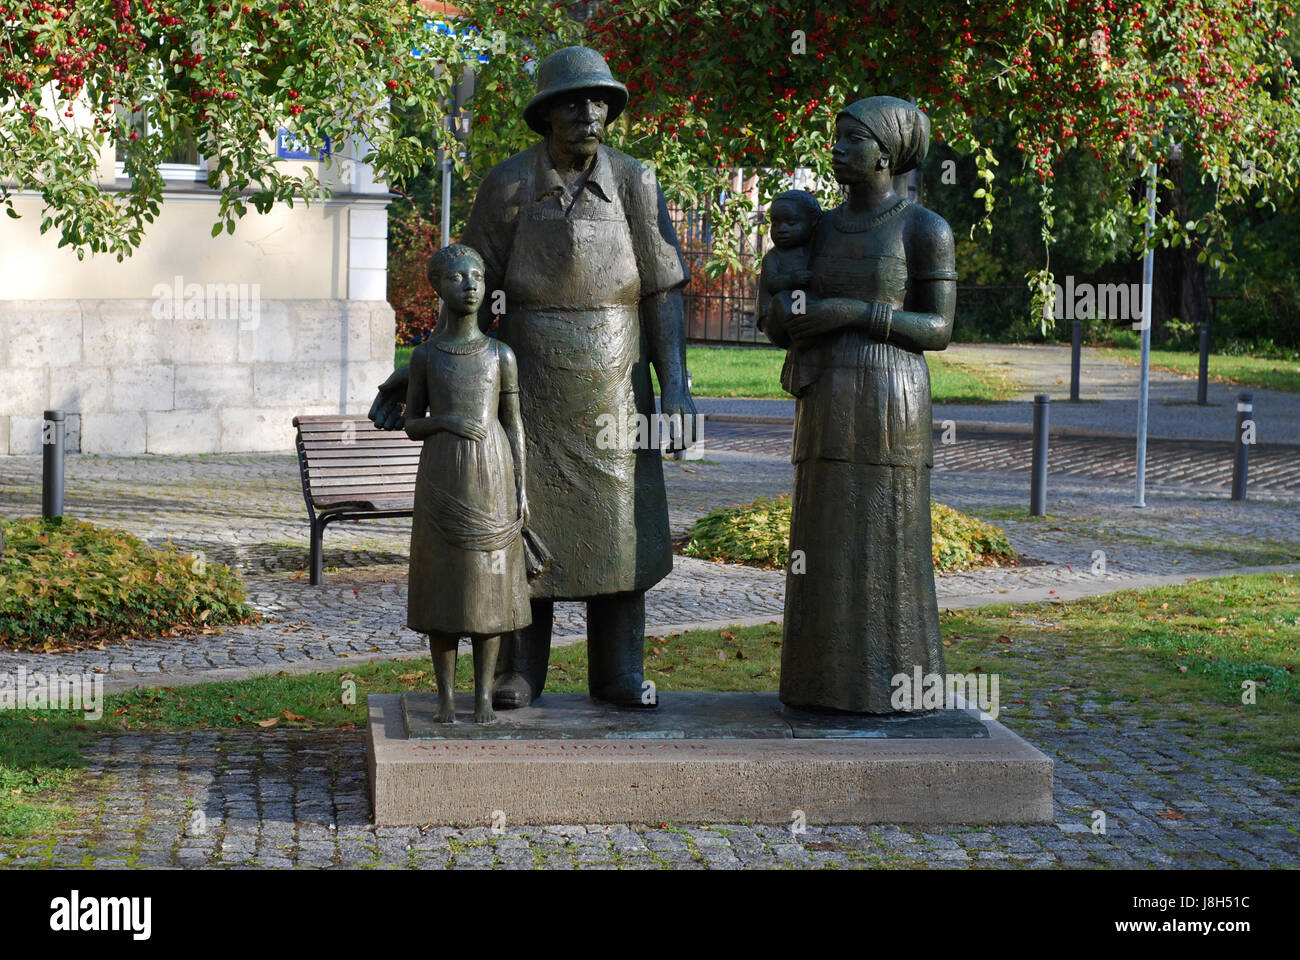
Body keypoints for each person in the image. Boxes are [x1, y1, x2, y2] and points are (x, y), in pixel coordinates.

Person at [370, 46, 696, 709]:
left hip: (616, 383)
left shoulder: (637, 181)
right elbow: (467, 284)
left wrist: (679, 387)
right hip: (531, 382)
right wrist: (430, 364)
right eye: (573, 101)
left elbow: (662, 292)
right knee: (526, 516)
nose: (588, 113)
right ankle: (521, 670)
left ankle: (620, 672)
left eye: (600, 100)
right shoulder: (509, 185)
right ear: (546, 113)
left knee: (622, 528)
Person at [761, 96, 958, 714]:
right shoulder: (815, 229)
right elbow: (779, 313)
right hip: (825, 395)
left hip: (892, 395)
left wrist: (850, 312)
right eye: (837, 137)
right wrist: (786, 315)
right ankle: (819, 685)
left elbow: (938, 328)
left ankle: (895, 686)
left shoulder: (923, 229)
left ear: (887, 152)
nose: (839, 149)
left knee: (887, 536)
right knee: (823, 538)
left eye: (852, 139)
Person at [403, 244, 530, 724]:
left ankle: (482, 698)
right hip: (443, 473)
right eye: (458, 277)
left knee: (487, 587)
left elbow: (514, 424)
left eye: (477, 275)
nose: (470, 285)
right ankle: (444, 698)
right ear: (438, 287)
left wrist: (523, 489)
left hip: (494, 470)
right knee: (445, 584)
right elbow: (413, 422)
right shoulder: (426, 356)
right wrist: (448, 420)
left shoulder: (501, 354)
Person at [755, 189, 822, 398]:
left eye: (791, 224)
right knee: (783, 300)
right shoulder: (773, 258)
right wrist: (792, 279)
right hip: (776, 318)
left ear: (812, 224)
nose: (781, 229)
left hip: (799, 308)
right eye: (775, 223)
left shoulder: (814, 251)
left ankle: (807, 335)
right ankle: (802, 339)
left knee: (802, 301)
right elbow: (771, 283)